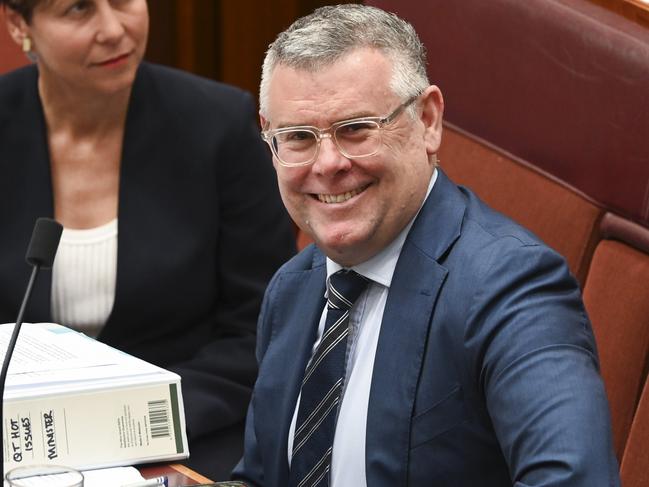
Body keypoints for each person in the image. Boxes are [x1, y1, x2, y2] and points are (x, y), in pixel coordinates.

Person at [231, 4, 621, 486]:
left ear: (428, 121)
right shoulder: (292, 287)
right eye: (298, 137)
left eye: (355, 129)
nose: (327, 164)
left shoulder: (510, 288)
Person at [0, 0, 295, 480]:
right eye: (78, 10)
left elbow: (261, 324)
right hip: (20, 438)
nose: (114, 29)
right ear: (20, 24)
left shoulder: (218, 123)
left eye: (123, 1)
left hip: (182, 436)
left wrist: (130, 423)